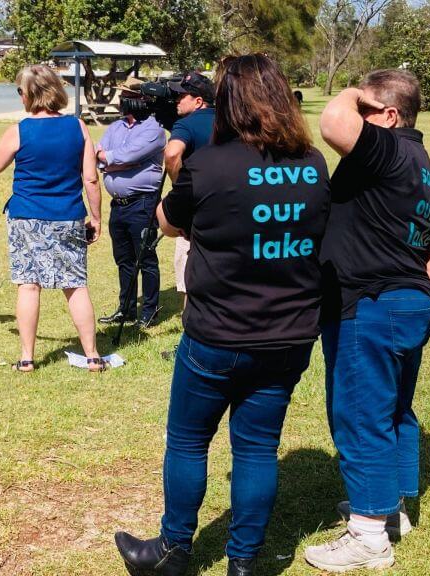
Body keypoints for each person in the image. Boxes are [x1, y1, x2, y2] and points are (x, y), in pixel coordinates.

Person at [114, 54, 332, 576]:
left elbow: (168, 222)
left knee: (189, 441)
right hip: (288, 334)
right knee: (258, 448)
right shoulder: (314, 163)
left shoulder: (209, 164)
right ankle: (244, 563)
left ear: (228, 103)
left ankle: (172, 550)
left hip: (216, 334)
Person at [304, 69, 430, 572]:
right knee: (394, 410)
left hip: (372, 303)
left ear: (390, 115)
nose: (357, 112)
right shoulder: (426, 166)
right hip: (408, 304)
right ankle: (392, 510)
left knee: (360, 413)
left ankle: (369, 536)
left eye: (366, 108)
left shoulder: (388, 148)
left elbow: (332, 122)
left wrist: (352, 91)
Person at [0, 64, 107, 372]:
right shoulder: (78, 127)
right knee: (75, 285)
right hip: (69, 216)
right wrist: (96, 217)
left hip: (27, 219)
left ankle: (27, 358)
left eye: (20, 91)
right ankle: (93, 356)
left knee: (29, 285)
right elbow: (90, 178)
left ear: (30, 94)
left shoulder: (20, 130)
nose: (19, 96)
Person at [96, 77, 167, 328]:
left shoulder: (154, 129)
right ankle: (126, 310)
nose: (120, 100)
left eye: (125, 95)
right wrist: (111, 160)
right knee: (124, 259)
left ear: (140, 99)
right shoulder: (115, 127)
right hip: (119, 205)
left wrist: (112, 160)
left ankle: (149, 311)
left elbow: (127, 156)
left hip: (142, 203)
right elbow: (98, 154)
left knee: (145, 258)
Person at [164, 71, 215, 302]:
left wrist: (178, 187)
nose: (176, 100)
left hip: (196, 206)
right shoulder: (230, 120)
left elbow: (172, 154)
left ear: (198, 101)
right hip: (229, 202)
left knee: (190, 273)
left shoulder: (186, 124)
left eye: (181, 96)